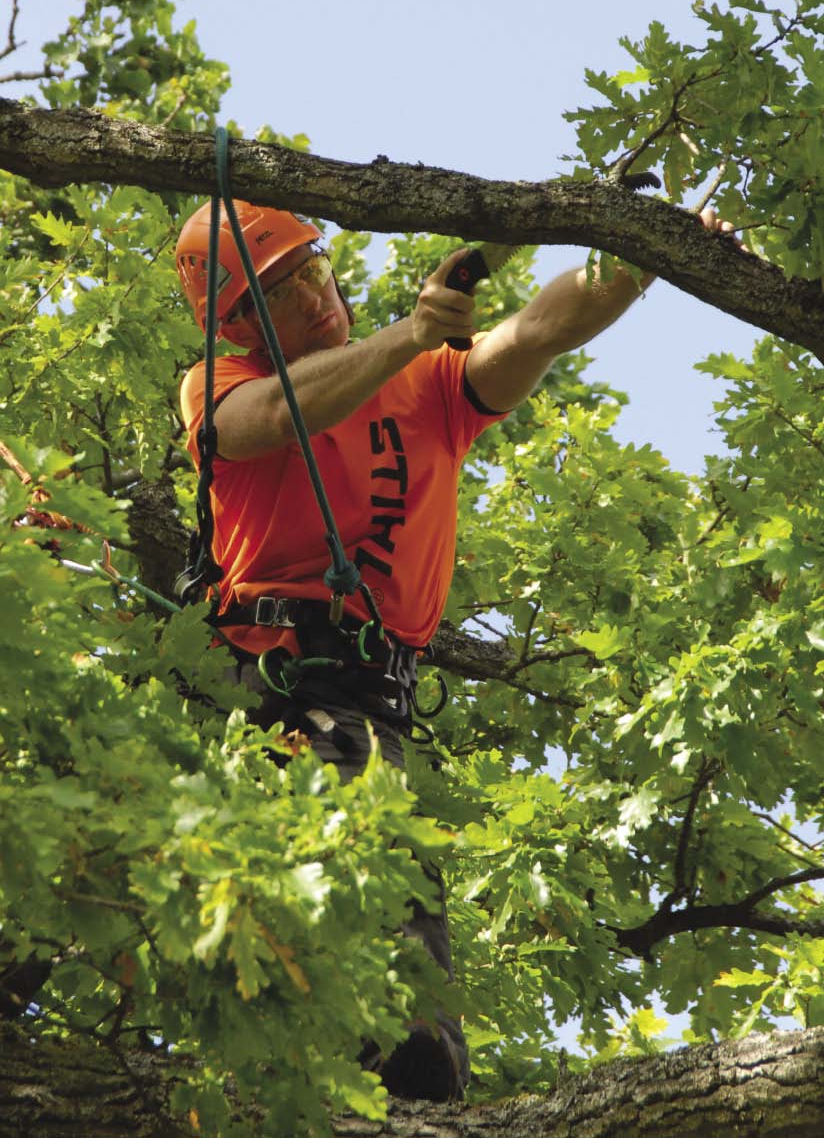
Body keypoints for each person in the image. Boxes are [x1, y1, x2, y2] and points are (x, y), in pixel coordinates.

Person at [176, 199, 734, 1102]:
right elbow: (269, 420)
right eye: (282, 293)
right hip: (274, 693)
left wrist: (646, 253)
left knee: (403, 924)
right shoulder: (218, 383)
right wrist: (408, 332)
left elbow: (544, 326)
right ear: (237, 323)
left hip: (371, 705)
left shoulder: (433, 382)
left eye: (314, 269)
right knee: (355, 888)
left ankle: (415, 1096)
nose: (317, 297)